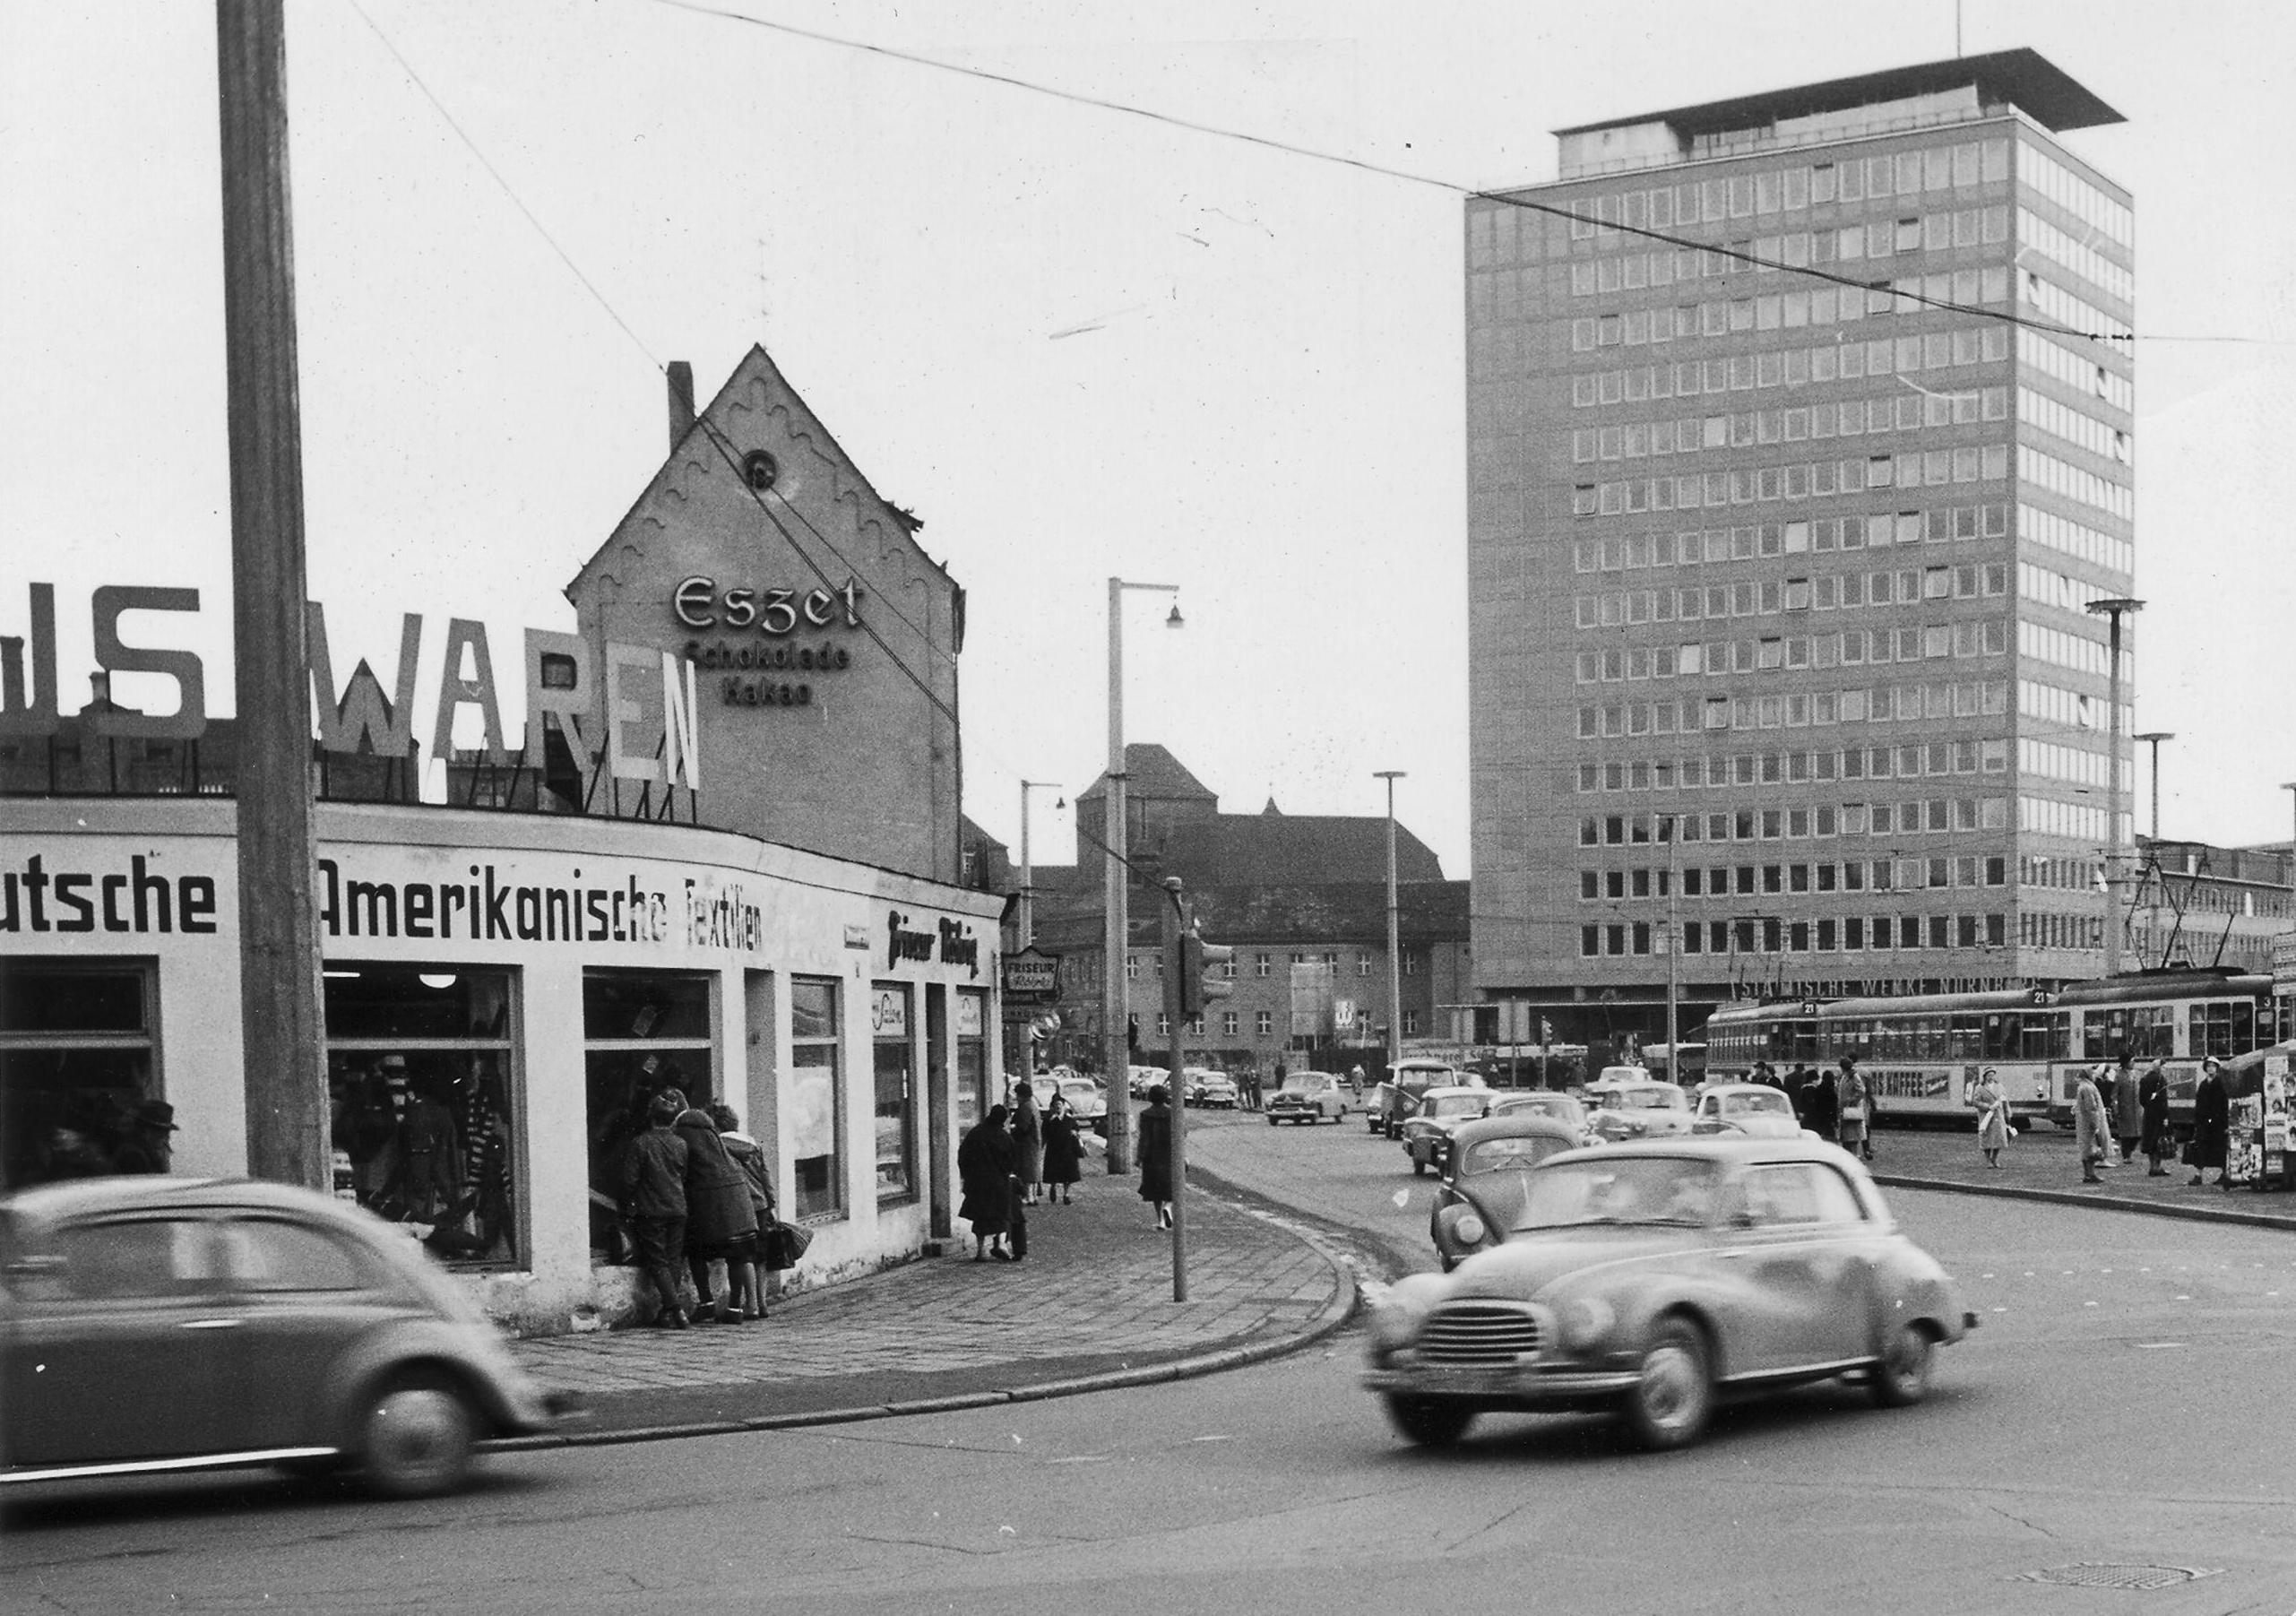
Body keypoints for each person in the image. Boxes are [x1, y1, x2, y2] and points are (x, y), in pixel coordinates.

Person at [674, 1101, 759, 1324]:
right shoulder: (718, 1144)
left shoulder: (685, 1136)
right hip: (739, 1208)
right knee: (737, 1256)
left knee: (695, 1251)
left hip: (710, 1208)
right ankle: (734, 1308)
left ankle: (706, 1302)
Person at [621, 1093, 690, 1328]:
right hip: (678, 1208)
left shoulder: (640, 1143)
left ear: (650, 1116)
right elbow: (684, 1175)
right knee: (673, 1260)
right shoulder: (681, 1144)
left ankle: (676, 1309)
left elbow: (629, 1181)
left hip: (652, 1210)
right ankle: (666, 1312)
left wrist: (627, 1204)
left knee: (658, 1261)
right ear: (672, 1120)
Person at [709, 1103, 773, 1320]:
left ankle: (751, 1305)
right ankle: (762, 1303)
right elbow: (765, 1175)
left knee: (743, 1255)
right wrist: (770, 1202)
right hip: (761, 1204)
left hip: (740, 1205)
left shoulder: (719, 1145)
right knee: (760, 1255)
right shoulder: (752, 1143)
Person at [957, 1105, 1015, 1260]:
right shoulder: (1004, 1137)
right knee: (1003, 1213)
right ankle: (1001, 1244)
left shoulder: (975, 1133)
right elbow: (1012, 1161)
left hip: (977, 1182)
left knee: (980, 1217)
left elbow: (962, 1155)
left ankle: (980, 1250)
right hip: (998, 1183)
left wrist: (966, 1175)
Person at [1136, 1085, 1174, 1230]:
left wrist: (1139, 1157)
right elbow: (1181, 1132)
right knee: (1173, 1186)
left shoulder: (1145, 1114)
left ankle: (1161, 1221)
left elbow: (1143, 1137)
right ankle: (1168, 1207)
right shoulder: (1172, 1113)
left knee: (1155, 1190)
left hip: (1151, 1156)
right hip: (1169, 1154)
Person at [2190, 1057, 2231, 1188]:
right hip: (2204, 1123)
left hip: (2217, 1123)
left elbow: (2224, 1105)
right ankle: (2198, 1175)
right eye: (2208, 1066)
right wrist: (2197, 1121)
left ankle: (2224, 1174)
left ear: (2217, 1068)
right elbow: (2199, 1104)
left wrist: (2225, 1124)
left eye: (2213, 1066)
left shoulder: (2221, 1084)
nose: (2210, 1068)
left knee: (2220, 1149)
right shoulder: (2203, 1084)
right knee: (2201, 1148)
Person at [110, 1100, 179, 1174]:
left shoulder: (144, 1152)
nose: (167, 1137)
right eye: (162, 1132)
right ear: (147, 1131)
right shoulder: (134, 1155)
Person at [1040, 1094, 1083, 1206]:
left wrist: (1075, 1133)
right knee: (1053, 1172)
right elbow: (1044, 1134)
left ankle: (1066, 1194)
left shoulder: (1069, 1120)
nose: (1058, 1107)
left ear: (1064, 1106)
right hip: (1054, 1150)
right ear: (1053, 1107)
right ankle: (1053, 1187)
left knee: (1067, 1175)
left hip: (1067, 1150)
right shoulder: (1049, 1120)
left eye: (1060, 1105)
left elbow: (1076, 1129)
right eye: (1056, 1105)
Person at [2073, 1065, 2110, 1184]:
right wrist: (2095, 1124)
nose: (2094, 1075)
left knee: (2086, 1148)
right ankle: (2090, 1174)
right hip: (2089, 1123)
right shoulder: (2088, 1088)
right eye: (2092, 1073)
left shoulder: (2083, 1086)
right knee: (2090, 1149)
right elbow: (2091, 1108)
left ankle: (2088, 1174)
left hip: (2083, 1122)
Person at [1010, 1080, 1044, 1207]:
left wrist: (1013, 1130)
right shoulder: (1033, 1105)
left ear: (1021, 1095)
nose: (1017, 1098)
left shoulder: (1025, 1107)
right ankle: (1033, 1196)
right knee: (1033, 1170)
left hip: (1027, 1144)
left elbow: (1022, 1127)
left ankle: (1028, 1197)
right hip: (1034, 1143)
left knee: (1027, 1171)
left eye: (1018, 1095)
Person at [1969, 1067, 2010, 1169]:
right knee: (1986, 1138)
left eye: (1993, 1075)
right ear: (1985, 1076)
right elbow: (1975, 1102)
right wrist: (1988, 1106)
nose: (1991, 1077)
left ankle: (1994, 1159)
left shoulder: (1999, 1086)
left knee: (1998, 1138)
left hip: (1998, 1115)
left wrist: (2007, 1112)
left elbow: (2005, 1099)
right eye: (1989, 1075)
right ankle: (1988, 1160)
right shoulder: (1980, 1088)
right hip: (1986, 1116)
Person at [1834, 1058, 1872, 1162]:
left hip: (1851, 1110)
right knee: (1846, 1136)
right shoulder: (1845, 1076)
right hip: (1845, 1110)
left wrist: (1851, 1100)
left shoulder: (1854, 1076)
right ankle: (1849, 1157)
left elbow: (1861, 1091)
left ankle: (1854, 1157)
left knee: (1852, 1136)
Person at [2138, 1060, 2171, 1178]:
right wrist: (2165, 1116)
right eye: (2164, 1067)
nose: (2165, 1069)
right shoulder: (2160, 1079)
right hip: (2159, 1115)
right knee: (2159, 1141)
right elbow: (2163, 1100)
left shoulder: (2145, 1079)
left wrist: (2148, 1106)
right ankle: (2157, 1167)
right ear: (2159, 1067)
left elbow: (2141, 1099)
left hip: (2149, 1114)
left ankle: (2152, 1166)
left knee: (2150, 1141)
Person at [2111, 1054, 2142, 1168]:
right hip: (2125, 1108)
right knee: (2126, 1135)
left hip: (2137, 1108)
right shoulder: (2118, 1076)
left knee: (2138, 1134)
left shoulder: (2137, 1074)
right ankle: (2126, 1155)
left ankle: (2130, 1151)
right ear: (2125, 1063)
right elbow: (2114, 1094)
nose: (2133, 1063)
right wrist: (2116, 1109)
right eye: (2131, 1061)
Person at [1801, 1060, 1838, 1143]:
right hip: (1827, 1119)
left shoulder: (1817, 1089)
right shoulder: (1832, 1091)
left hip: (1816, 1119)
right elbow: (1834, 1106)